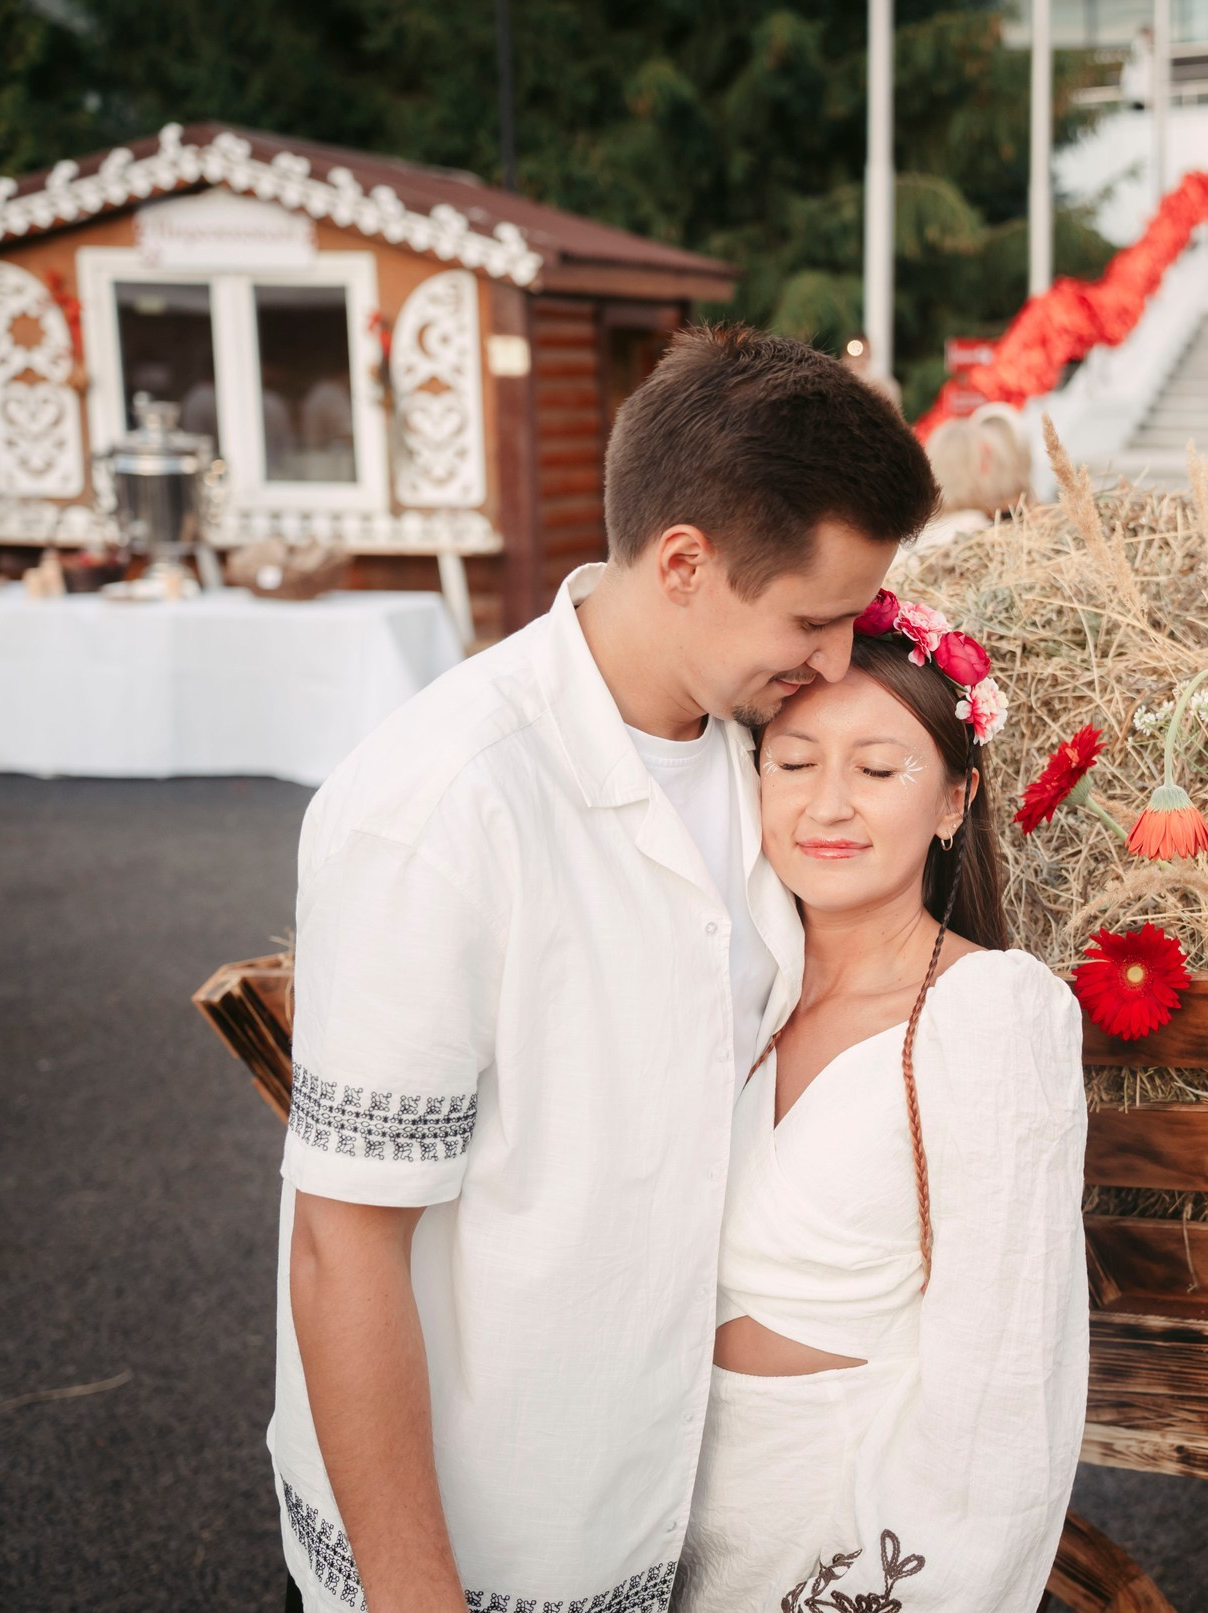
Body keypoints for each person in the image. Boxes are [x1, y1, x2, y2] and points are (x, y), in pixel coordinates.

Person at [271, 326, 937, 1613]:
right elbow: (338, 1248)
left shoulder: (772, 760)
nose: (842, 663)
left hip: (675, 1509)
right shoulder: (440, 803)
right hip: (479, 1543)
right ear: (683, 560)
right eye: (815, 617)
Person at [675, 598, 1086, 1612]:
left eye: (877, 767)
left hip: (840, 1517)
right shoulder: (730, 991)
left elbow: (1005, 1368)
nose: (826, 805)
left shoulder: (986, 1009)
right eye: (795, 760)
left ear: (954, 798)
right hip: (666, 1499)